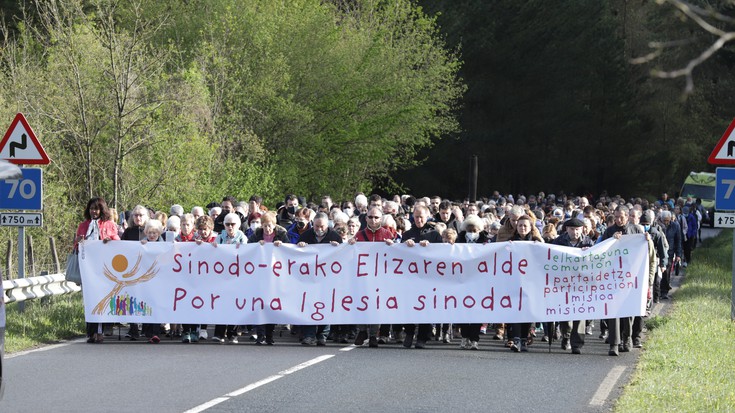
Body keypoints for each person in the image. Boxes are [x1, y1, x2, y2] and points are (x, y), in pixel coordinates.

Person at [75, 197, 120, 344]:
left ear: (102, 210)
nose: (94, 211)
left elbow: (118, 243)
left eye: (97, 208)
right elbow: (76, 246)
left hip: (105, 268)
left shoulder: (109, 224)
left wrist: (109, 240)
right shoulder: (83, 225)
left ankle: (100, 331)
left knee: (102, 299)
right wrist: (78, 241)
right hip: (89, 269)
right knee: (90, 300)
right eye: (91, 208)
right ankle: (91, 332)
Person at [601, 205, 644, 356]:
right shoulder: (609, 231)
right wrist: (612, 242)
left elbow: (644, 249)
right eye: (617, 217)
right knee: (613, 311)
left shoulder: (636, 230)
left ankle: (628, 338)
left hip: (631, 277)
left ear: (628, 216)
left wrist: (647, 239)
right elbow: (601, 250)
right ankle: (614, 343)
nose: (619, 220)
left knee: (629, 311)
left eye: (622, 217)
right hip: (613, 277)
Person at [349, 207, 394, 348]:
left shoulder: (387, 234)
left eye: (376, 217)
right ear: (366, 218)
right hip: (363, 275)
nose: (373, 220)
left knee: (376, 304)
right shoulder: (360, 234)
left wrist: (392, 246)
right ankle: (362, 330)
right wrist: (350, 245)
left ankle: (374, 334)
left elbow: (396, 254)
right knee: (361, 302)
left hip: (380, 276)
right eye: (370, 217)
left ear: (381, 219)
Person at [297, 212, 342, 346]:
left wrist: (338, 248)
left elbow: (343, 257)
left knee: (326, 305)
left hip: (328, 279)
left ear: (327, 225)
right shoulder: (306, 235)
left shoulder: (335, 237)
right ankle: (309, 335)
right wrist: (299, 246)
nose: (319, 229)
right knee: (310, 305)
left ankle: (322, 335)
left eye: (322, 226)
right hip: (309, 278)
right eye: (316, 226)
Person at [401, 205, 442, 349]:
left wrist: (431, 247)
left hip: (428, 277)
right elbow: (398, 254)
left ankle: (422, 337)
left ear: (427, 217)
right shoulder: (407, 234)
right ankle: (409, 332)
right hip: (411, 277)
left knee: (426, 306)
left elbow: (442, 255)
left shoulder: (434, 234)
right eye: (416, 217)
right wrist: (405, 245)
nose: (419, 220)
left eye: (421, 217)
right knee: (409, 305)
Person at [551, 218, 593, 354]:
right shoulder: (558, 242)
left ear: (582, 230)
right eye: (572, 229)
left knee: (580, 312)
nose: (575, 232)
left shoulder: (588, 242)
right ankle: (566, 336)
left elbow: (596, 259)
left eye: (577, 229)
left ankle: (577, 344)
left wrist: (588, 254)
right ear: (567, 229)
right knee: (565, 313)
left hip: (581, 283)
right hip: (564, 282)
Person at [248, 211, 288, 345]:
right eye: (265, 226)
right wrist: (255, 246)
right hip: (259, 276)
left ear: (274, 225)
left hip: (275, 276)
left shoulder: (281, 235)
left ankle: (270, 335)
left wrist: (282, 245)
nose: (267, 228)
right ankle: (260, 335)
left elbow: (289, 250)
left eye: (269, 225)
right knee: (260, 305)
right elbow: (247, 250)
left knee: (271, 306)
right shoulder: (256, 236)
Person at [454, 214, 490, 350]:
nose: (472, 233)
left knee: (477, 310)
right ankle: (464, 336)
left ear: (479, 230)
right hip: (462, 279)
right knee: (463, 309)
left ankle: (474, 339)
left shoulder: (485, 240)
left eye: (474, 230)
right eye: (469, 230)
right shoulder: (460, 239)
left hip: (479, 281)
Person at [508, 214, 543, 352]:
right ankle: (516, 339)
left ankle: (524, 338)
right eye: (520, 225)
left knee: (527, 311)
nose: (522, 228)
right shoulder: (510, 241)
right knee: (516, 310)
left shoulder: (536, 241)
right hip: (514, 281)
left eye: (525, 226)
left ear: (530, 227)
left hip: (531, 282)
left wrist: (540, 244)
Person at [212, 213, 247, 343]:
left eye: (233, 224)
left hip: (236, 276)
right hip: (221, 276)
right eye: (227, 224)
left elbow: (247, 254)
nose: (230, 227)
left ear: (238, 225)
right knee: (221, 304)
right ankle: (219, 333)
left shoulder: (242, 238)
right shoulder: (219, 238)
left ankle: (233, 333)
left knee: (235, 304)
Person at [139, 220, 165, 344]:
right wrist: (142, 245)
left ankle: (155, 333)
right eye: (149, 232)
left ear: (159, 233)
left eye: (154, 232)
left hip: (159, 280)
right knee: (146, 304)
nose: (152, 235)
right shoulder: (143, 243)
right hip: (146, 280)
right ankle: (147, 331)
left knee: (156, 305)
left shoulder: (164, 245)